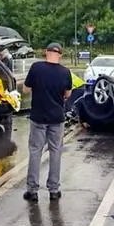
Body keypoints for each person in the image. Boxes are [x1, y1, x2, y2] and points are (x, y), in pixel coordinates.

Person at [23, 42, 72, 202]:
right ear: (60, 55)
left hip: (38, 117)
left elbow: (25, 89)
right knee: (55, 151)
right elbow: (67, 94)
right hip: (57, 118)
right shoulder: (65, 72)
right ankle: (54, 190)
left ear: (46, 52)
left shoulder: (36, 68)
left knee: (35, 151)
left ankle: (32, 191)